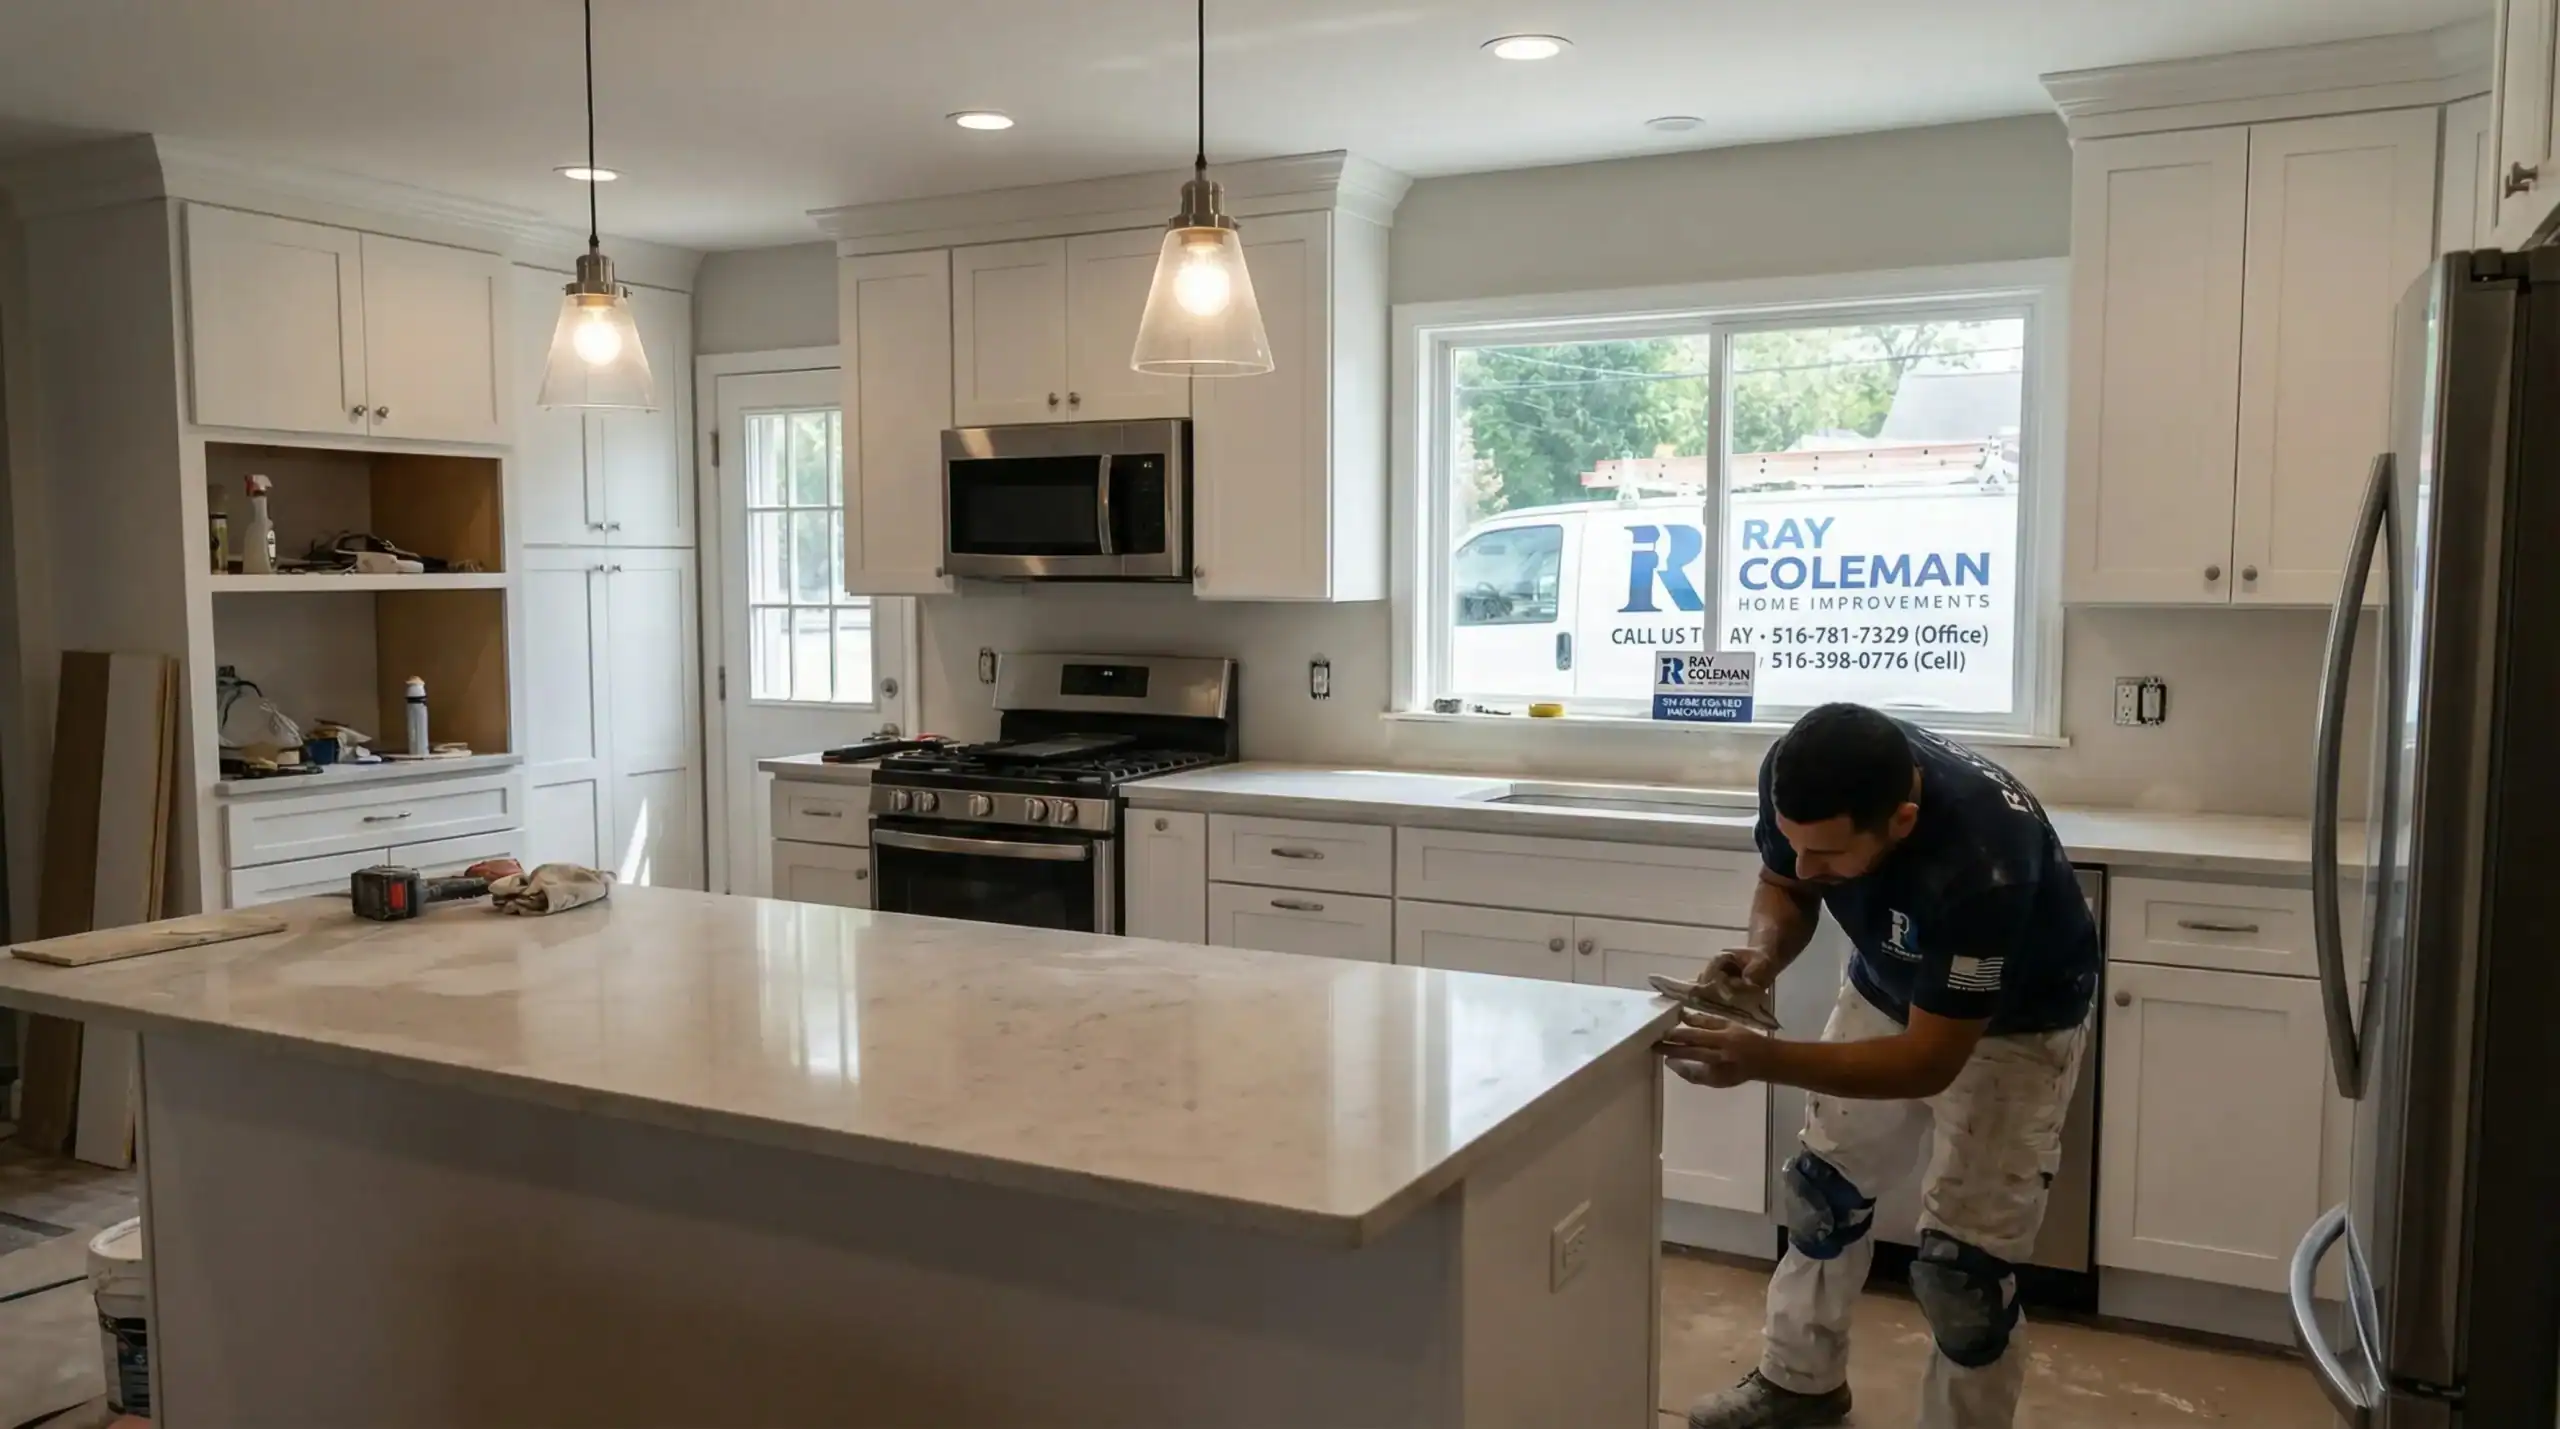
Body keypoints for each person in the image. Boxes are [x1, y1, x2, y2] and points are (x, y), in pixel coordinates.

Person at [1666, 703, 2099, 1429]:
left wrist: (1763, 1059)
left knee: (1965, 1275)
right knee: (1821, 1193)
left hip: (2016, 1027)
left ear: (1899, 822)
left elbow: (1929, 1060)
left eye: (1830, 854)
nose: (1809, 865)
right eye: (1798, 844)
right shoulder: (1800, 774)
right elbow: (1788, 884)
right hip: (1886, 983)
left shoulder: (1984, 859)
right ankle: (1799, 1384)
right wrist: (1764, 956)